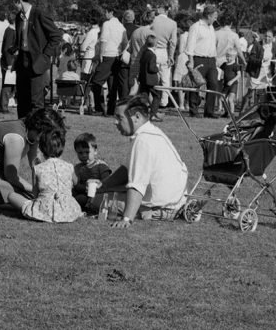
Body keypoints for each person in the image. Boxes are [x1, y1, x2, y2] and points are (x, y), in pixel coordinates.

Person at [92, 95, 189, 228]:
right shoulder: (151, 132)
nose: (115, 122)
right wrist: (104, 185)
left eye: (119, 117)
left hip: (165, 207)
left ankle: (145, 212)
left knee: (95, 199)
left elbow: (137, 185)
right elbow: (126, 170)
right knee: (102, 193)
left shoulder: (143, 140)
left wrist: (127, 219)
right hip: (176, 201)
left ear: (136, 117)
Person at [0, 125, 82, 223]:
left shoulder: (38, 168)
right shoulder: (69, 166)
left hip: (44, 211)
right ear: (62, 147)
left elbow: (35, 193)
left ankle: (37, 212)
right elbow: (75, 182)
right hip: (69, 210)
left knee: (11, 196)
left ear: (41, 148)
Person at [8, 0, 62, 119]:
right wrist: (14, 48)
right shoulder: (19, 18)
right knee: (22, 99)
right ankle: (22, 129)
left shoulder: (39, 14)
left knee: (36, 101)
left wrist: (45, 55)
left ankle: (37, 131)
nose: (13, 7)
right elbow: (22, 38)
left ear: (19, 1)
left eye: (13, 3)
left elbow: (56, 36)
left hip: (37, 62)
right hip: (22, 62)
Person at [183, 6, 220, 118]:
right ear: (208, 16)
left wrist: (215, 59)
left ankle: (209, 111)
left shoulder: (211, 27)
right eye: (214, 17)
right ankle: (194, 111)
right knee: (196, 84)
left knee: (213, 83)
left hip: (211, 60)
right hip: (198, 58)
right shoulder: (196, 27)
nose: (215, 19)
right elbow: (190, 44)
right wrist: (191, 61)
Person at [90, 7, 127, 116]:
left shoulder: (107, 24)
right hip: (117, 56)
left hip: (107, 55)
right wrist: (120, 52)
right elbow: (125, 42)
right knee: (113, 85)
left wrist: (100, 54)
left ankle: (99, 108)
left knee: (96, 82)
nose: (105, 13)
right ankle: (111, 110)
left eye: (106, 11)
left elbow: (104, 40)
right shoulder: (121, 26)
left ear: (111, 12)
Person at [70, 132, 112, 210]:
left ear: (95, 151)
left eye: (87, 152)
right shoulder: (78, 167)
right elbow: (77, 186)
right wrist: (84, 188)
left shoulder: (101, 166)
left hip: (99, 194)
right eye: (80, 153)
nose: (84, 155)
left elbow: (107, 182)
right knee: (74, 195)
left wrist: (98, 185)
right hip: (84, 194)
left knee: (82, 199)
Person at [136, 34, 162, 121]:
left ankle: (142, 114)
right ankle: (153, 114)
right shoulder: (152, 55)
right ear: (155, 44)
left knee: (144, 97)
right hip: (151, 80)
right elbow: (151, 68)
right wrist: (157, 68)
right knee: (157, 96)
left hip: (143, 78)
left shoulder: (144, 53)